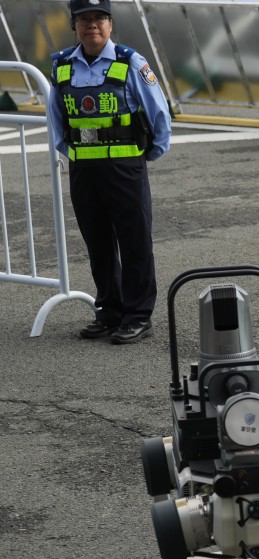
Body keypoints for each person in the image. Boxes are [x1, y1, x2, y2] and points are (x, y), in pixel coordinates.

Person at [45, 0, 171, 344]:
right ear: (74, 25)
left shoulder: (131, 63)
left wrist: (148, 154)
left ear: (111, 24)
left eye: (99, 18)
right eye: (84, 19)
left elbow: (159, 113)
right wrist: (72, 153)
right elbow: (57, 120)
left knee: (135, 242)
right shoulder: (61, 67)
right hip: (83, 168)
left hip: (124, 167)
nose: (92, 26)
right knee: (98, 243)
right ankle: (109, 312)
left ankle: (138, 316)